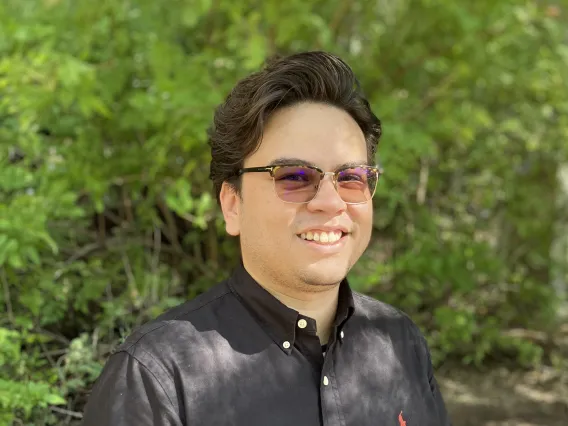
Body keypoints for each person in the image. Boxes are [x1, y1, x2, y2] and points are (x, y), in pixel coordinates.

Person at [81, 51, 452, 426]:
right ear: (232, 205)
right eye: (293, 176)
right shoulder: (157, 379)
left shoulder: (400, 342)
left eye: (351, 177)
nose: (329, 202)